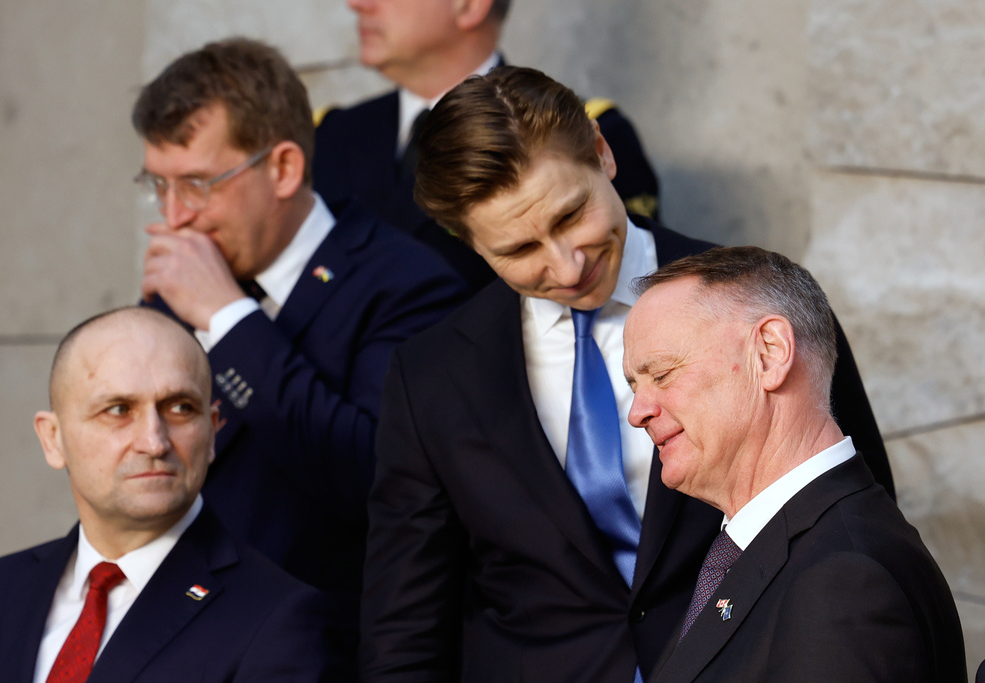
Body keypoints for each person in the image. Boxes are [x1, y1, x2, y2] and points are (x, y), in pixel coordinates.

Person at [361, 66, 893, 681]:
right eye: (518, 250)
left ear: (602, 153)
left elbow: (856, 513)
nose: (566, 265)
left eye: (569, 217)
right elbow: (404, 622)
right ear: (467, 241)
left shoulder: (762, 305)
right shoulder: (430, 373)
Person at [132, 37, 465, 603]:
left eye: (196, 184)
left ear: (284, 168)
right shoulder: (181, 283)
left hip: (320, 641)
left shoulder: (408, 283)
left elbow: (375, 475)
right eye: (158, 186)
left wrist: (229, 320)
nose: (174, 215)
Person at [624, 247, 965, 682]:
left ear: (768, 353)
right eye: (634, 384)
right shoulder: (777, 549)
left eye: (663, 373)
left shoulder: (842, 581)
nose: (638, 412)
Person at [0, 307, 339, 682]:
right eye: (119, 409)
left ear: (211, 432)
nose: (154, 442)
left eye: (180, 408)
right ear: (52, 439)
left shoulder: (278, 620)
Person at [314, 0, 661, 290]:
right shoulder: (328, 134)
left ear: (470, 5)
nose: (357, 4)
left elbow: (621, 280)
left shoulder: (577, 129)